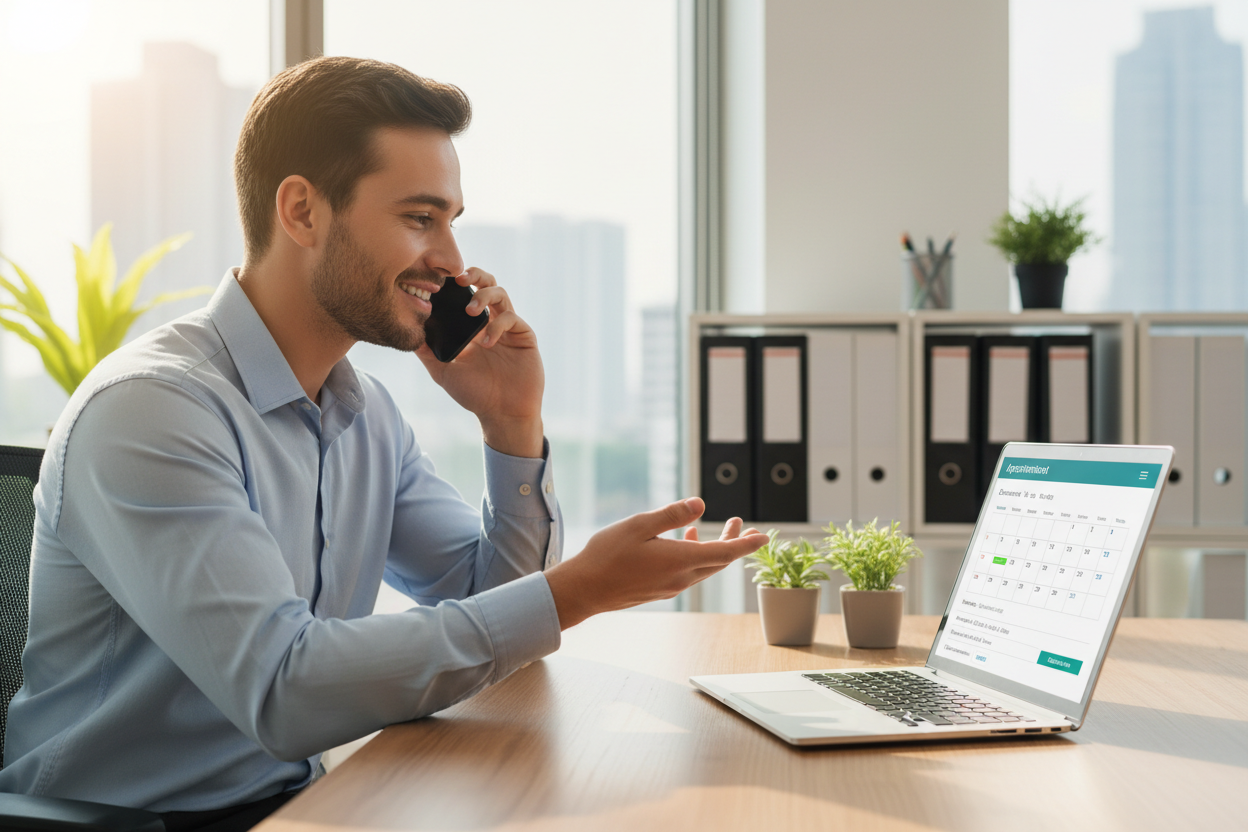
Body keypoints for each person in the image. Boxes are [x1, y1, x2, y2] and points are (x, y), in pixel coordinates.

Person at [0, 56, 766, 829]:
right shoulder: (154, 411)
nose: (453, 262)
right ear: (302, 211)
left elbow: (494, 613)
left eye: (451, 221)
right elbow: (285, 690)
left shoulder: (365, 416)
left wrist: (510, 424)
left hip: (299, 804)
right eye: (419, 217)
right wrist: (574, 592)